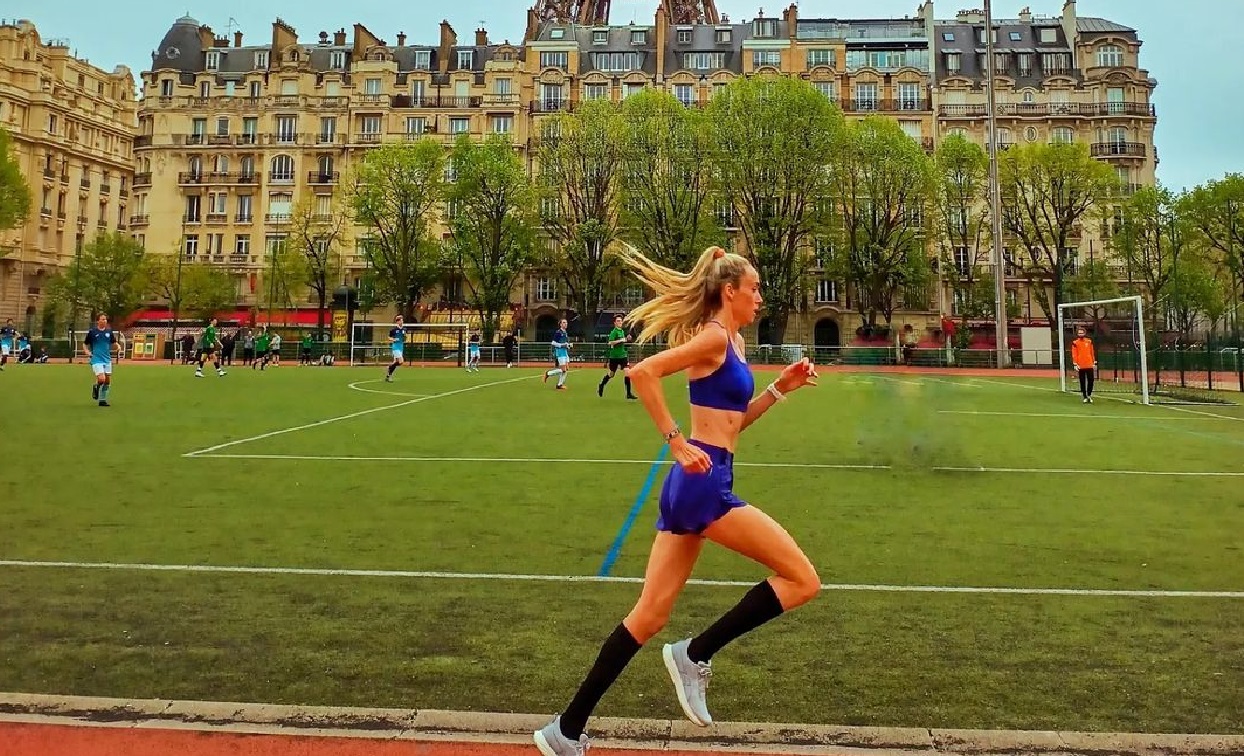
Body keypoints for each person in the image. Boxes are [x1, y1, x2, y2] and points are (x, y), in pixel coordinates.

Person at [533, 246, 820, 756]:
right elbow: (642, 373)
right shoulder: (712, 336)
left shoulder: (731, 340)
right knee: (802, 580)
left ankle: (565, 730)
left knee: (648, 615)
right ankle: (695, 653)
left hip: (698, 480)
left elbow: (732, 426)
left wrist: (779, 389)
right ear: (729, 291)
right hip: (704, 485)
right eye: (753, 288)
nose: (759, 297)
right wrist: (675, 439)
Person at [82, 313, 120, 407]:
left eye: (105, 319)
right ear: (98, 321)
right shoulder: (92, 332)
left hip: (107, 359)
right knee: (101, 379)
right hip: (96, 358)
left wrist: (118, 346)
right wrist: (87, 351)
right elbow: (85, 344)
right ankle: (96, 386)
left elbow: (113, 342)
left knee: (107, 381)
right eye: (102, 319)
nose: (104, 321)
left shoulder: (109, 332)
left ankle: (102, 400)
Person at [598, 314, 636, 400]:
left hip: (623, 355)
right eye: (618, 321)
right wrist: (621, 340)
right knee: (611, 374)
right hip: (614, 356)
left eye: (621, 321)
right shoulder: (614, 332)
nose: (620, 322)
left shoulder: (622, 331)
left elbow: (623, 343)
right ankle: (601, 385)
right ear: (615, 323)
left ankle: (628, 393)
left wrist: (627, 339)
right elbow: (610, 342)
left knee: (627, 372)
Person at [543, 319, 572, 390]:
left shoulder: (565, 332)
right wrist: (562, 345)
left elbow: (564, 343)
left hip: (565, 352)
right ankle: (548, 373)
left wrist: (568, 345)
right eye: (564, 322)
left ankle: (559, 385)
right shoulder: (558, 332)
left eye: (566, 322)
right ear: (561, 324)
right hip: (560, 352)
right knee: (563, 370)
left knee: (566, 369)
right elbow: (553, 343)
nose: (565, 324)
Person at [1071, 325, 1097, 403]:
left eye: (1082, 333)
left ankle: (1089, 395)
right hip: (1080, 365)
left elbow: (1092, 352)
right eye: (1079, 333)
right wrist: (1075, 364)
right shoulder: (1075, 343)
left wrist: (1094, 362)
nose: (1081, 334)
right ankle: (1084, 396)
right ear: (1077, 334)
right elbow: (1074, 354)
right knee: (1082, 381)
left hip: (1089, 364)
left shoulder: (1089, 341)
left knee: (1091, 380)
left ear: (1085, 333)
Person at [385, 315, 406, 382]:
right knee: (401, 361)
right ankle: (389, 368)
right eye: (400, 320)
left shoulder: (404, 329)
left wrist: (404, 339)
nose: (402, 321)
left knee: (396, 362)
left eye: (402, 320)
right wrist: (393, 339)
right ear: (397, 321)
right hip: (396, 347)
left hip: (401, 347)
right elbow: (389, 337)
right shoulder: (393, 330)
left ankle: (388, 375)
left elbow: (404, 337)